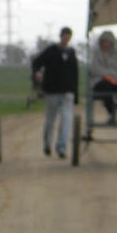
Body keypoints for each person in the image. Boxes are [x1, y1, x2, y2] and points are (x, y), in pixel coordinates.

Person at [31, 27, 79, 158]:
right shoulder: (51, 51)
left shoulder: (71, 53)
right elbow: (36, 62)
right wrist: (37, 72)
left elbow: (75, 74)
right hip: (52, 91)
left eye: (68, 36)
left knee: (65, 120)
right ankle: (47, 144)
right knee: (50, 120)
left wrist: (76, 94)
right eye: (64, 35)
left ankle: (61, 148)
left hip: (67, 92)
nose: (66, 38)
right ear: (61, 36)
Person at [89, 30, 117, 124]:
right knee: (106, 88)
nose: (106, 44)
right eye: (104, 42)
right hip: (100, 81)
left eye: (107, 42)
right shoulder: (97, 53)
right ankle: (112, 114)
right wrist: (107, 74)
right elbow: (94, 69)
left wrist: (110, 74)